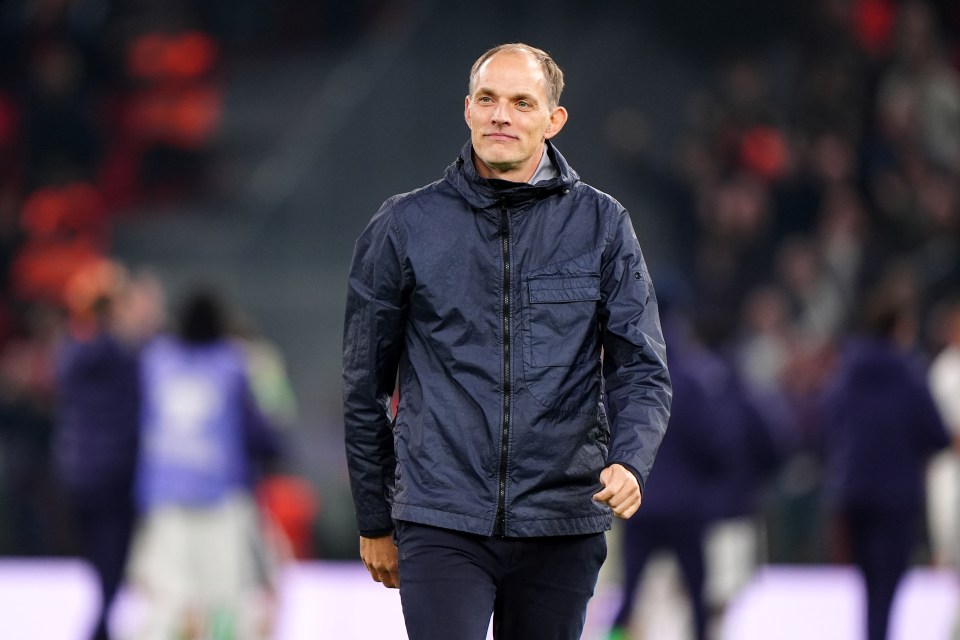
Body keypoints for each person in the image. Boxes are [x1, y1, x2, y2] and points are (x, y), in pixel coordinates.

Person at [342, 42, 672, 640]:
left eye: (522, 103)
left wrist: (632, 459)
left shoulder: (603, 224)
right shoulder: (403, 225)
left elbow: (642, 367)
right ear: (467, 109)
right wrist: (374, 518)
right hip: (441, 519)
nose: (502, 115)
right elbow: (364, 384)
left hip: (562, 521)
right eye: (489, 99)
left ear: (553, 120)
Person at [129, 287, 283, 640]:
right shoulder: (234, 363)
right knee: (226, 602)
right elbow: (259, 432)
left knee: (167, 603)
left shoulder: (154, 361)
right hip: (221, 501)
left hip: (164, 498)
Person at [819, 276, 949, 640]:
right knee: (887, 586)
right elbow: (935, 433)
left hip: (854, 494)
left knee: (867, 585)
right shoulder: (909, 372)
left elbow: (826, 422)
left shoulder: (846, 370)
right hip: (896, 497)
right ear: (900, 326)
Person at [53, 260, 154, 640]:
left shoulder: (73, 353)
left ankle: (101, 625)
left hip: (77, 473)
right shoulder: (120, 355)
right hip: (114, 475)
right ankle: (99, 630)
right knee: (113, 562)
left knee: (102, 562)